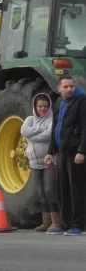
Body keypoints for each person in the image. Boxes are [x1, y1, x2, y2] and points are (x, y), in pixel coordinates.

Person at [45, 75, 86, 236]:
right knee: (63, 190)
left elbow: (85, 128)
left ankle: (78, 224)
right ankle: (64, 223)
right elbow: (56, 127)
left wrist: (82, 151)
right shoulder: (59, 102)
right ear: (59, 88)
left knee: (76, 190)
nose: (69, 89)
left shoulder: (81, 102)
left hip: (75, 152)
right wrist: (50, 151)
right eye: (66, 87)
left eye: (71, 86)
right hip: (62, 152)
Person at [20, 93, 58, 232]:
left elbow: (50, 134)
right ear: (35, 107)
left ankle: (56, 221)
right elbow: (24, 130)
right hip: (34, 162)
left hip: (49, 160)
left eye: (46, 106)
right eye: (40, 106)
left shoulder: (52, 118)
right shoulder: (30, 119)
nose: (43, 109)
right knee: (41, 192)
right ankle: (46, 222)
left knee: (49, 190)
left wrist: (33, 135)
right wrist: (39, 130)